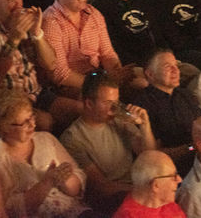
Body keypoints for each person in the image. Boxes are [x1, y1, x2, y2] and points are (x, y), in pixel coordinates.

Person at [59, 72, 157, 212]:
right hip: (114, 198)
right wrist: (142, 190)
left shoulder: (118, 121)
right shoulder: (73, 138)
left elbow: (150, 156)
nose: (113, 109)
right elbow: (102, 187)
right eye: (108, 103)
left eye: (116, 102)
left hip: (137, 186)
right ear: (89, 103)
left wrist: (145, 126)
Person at [0, 92, 88, 218]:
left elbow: (78, 180)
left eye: (32, 117)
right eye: (24, 122)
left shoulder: (45, 139)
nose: (33, 124)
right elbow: (8, 209)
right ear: (4, 127)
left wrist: (66, 179)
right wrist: (46, 183)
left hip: (76, 212)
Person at [43, 0, 128, 94]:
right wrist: (99, 86)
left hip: (97, 78)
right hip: (71, 87)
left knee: (144, 81)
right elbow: (60, 74)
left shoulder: (93, 14)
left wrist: (116, 73)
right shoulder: (51, 21)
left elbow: (107, 53)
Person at [130, 49, 201, 174]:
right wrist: (191, 147)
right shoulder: (142, 105)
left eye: (176, 66)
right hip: (171, 169)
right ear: (150, 74)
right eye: (168, 67)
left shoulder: (185, 95)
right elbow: (153, 154)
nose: (175, 71)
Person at [114, 150, 187, 218]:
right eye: (173, 176)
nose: (179, 180)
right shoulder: (128, 215)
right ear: (156, 185)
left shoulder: (166, 202)